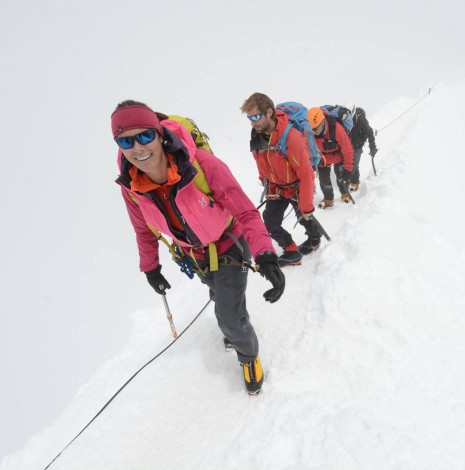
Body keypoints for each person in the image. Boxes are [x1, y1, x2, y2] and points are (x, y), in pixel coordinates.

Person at [111, 100, 284, 395]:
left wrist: (265, 254)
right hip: (193, 253)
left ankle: (248, 356)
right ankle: (233, 323)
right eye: (126, 141)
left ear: (158, 134)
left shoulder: (202, 164)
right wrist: (150, 268)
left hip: (228, 243)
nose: (138, 148)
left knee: (229, 316)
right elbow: (143, 230)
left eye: (145, 136)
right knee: (217, 294)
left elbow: (246, 213)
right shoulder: (131, 185)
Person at [240, 93, 325, 266]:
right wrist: (267, 188)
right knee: (270, 222)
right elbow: (262, 166)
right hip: (276, 188)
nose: (253, 123)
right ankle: (291, 251)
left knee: (305, 216)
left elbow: (306, 174)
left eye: (256, 117)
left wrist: (306, 205)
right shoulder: (257, 137)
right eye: (250, 118)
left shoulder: (292, 137)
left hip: (297, 187)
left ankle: (314, 239)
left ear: (269, 112)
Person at [307, 107, 355, 208]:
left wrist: (348, 170)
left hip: (339, 156)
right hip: (322, 158)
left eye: (315, 129)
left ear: (323, 122)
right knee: (324, 180)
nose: (314, 132)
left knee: (341, 177)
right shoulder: (310, 133)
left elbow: (348, 151)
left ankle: (345, 193)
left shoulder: (336, 129)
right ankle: (328, 199)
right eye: (311, 129)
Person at [346, 104, 378, 192]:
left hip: (358, 146)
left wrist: (372, 147)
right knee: (346, 164)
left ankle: (354, 182)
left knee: (354, 165)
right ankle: (347, 179)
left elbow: (370, 133)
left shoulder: (362, 121)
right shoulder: (345, 120)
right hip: (347, 145)